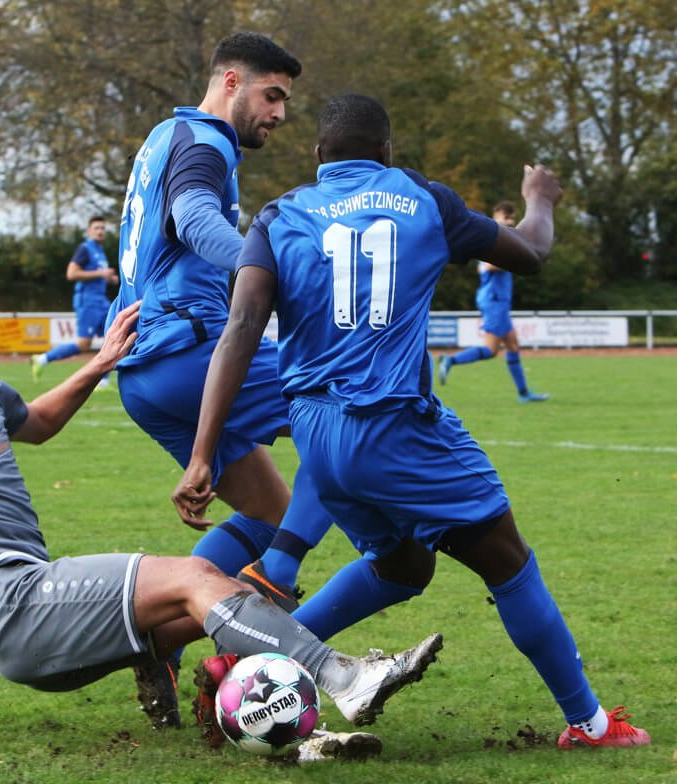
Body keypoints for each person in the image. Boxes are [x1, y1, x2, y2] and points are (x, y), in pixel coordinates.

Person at [0, 289, 443, 761]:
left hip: (38, 607)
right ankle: (342, 675)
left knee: (232, 593)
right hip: (10, 606)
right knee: (197, 580)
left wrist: (98, 365)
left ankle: (289, 732)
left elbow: (34, 423)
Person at [173, 94, 650, 749]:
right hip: (397, 429)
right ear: (388, 151)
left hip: (316, 437)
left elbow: (242, 328)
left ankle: (252, 663)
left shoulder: (278, 216)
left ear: (318, 157)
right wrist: (539, 198)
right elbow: (533, 251)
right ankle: (591, 726)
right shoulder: (424, 198)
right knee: (509, 564)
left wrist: (202, 454)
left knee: (403, 566)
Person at [105, 31, 335, 731]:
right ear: (231, 82)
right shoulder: (206, 141)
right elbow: (195, 218)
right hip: (191, 355)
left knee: (270, 512)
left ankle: (160, 639)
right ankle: (269, 596)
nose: (280, 114)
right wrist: (263, 269)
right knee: (351, 417)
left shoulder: (164, 137)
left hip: (145, 375)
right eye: (273, 96)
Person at [437, 201, 549, 402]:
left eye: (512, 218)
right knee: (490, 350)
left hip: (499, 303)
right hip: (494, 301)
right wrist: (517, 260)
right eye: (506, 217)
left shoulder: (505, 242)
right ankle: (450, 360)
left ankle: (524, 394)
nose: (510, 221)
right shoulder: (495, 243)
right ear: (496, 218)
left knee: (513, 345)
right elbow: (486, 267)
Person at [32, 216, 119, 388]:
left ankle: (103, 382)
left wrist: (109, 279)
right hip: (87, 302)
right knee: (83, 344)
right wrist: (101, 274)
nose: (100, 231)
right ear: (88, 231)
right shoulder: (84, 249)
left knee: (113, 335)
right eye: (96, 228)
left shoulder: (99, 251)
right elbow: (71, 274)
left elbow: (96, 275)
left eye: (103, 228)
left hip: (101, 301)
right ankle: (41, 359)